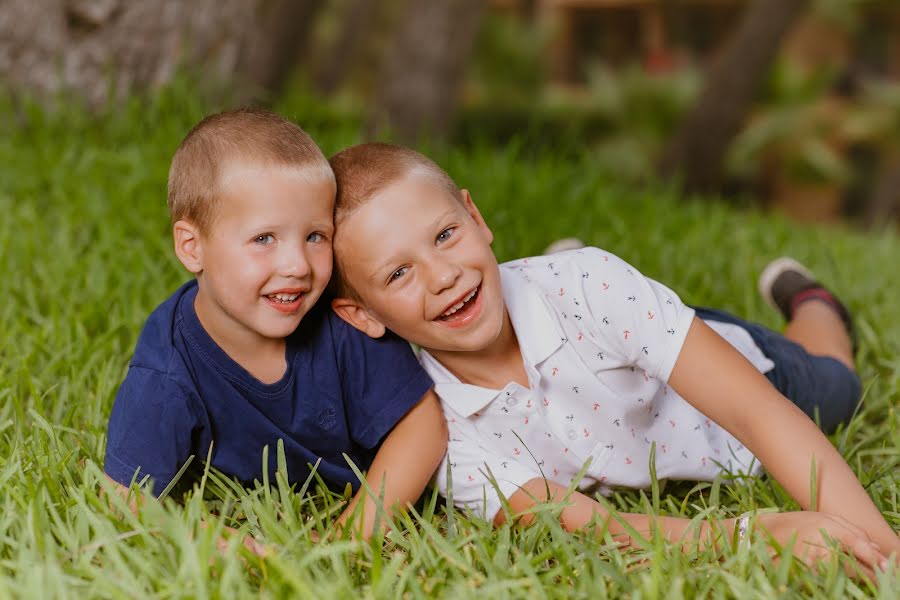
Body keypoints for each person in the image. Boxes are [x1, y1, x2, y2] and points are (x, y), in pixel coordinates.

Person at [326, 142, 899, 574]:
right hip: (616, 332)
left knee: (837, 385)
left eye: (446, 234)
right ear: (363, 316)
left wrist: (882, 556)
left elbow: (760, 415)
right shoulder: (431, 428)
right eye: (398, 273)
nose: (442, 275)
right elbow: (598, 528)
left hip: (719, 369)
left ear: (477, 219)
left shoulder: (590, 288)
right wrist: (756, 532)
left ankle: (814, 301)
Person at [103, 111, 446, 546]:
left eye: (315, 236)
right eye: (264, 238)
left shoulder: (339, 319)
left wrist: (355, 536)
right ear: (192, 247)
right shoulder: (170, 362)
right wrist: (245, 551)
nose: (297, 265)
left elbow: (423, 423)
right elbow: (124, 499)